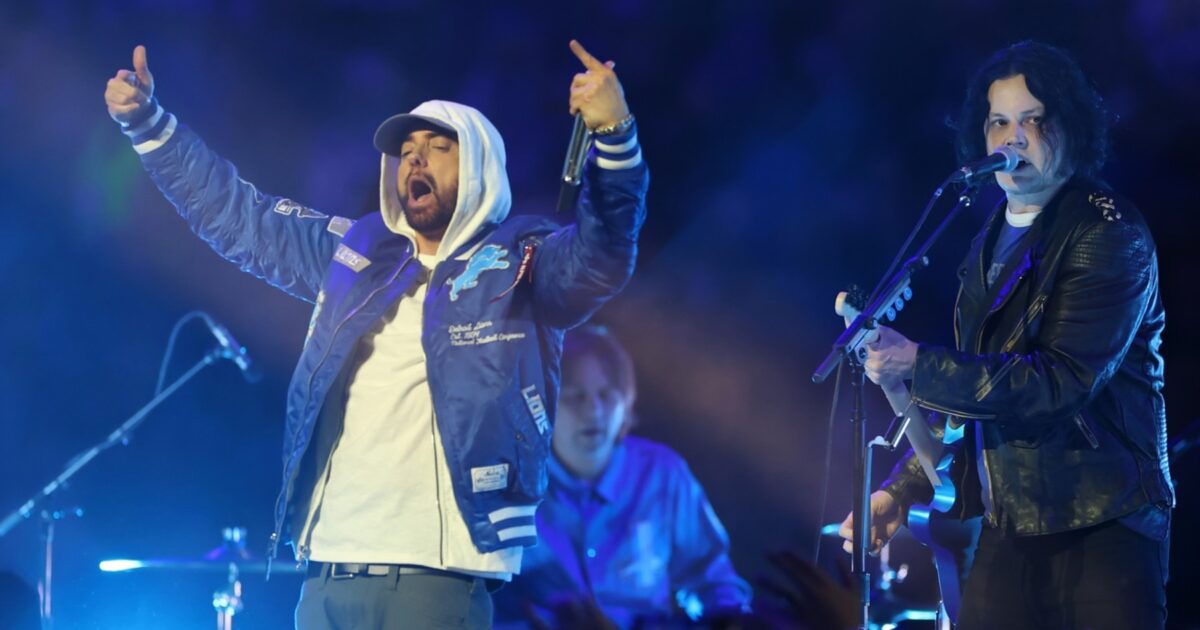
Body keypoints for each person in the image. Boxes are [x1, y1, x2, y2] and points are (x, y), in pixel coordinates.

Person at [104, 40, 648, 629]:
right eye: (407, 151)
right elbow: (242, 217)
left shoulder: (523, 260)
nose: (416, 160)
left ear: (483, 167)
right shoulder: (357, 254)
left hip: (435, 579)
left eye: (439, 148)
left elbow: (603, 254)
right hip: (327, 573)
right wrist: (150, 127)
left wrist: (614, 134)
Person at [838, 41, 1173, 629]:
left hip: (1104, 524)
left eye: (1032, 121)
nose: (1012, 138)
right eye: (999, 122)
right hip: (1011, 520)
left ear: (1071, 129)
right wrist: (904, 488)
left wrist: (918, 364)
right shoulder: (987, 239)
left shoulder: (1107, 234)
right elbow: (978, 391)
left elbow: (1059, 383)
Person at [493, 327, 751, 628]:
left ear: (626, 400)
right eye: (574, 396)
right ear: (541, 408)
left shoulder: (662, 474)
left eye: (606, 394)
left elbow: (712, 579)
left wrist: (729, 619)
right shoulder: (510, 484)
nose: (594, 410)